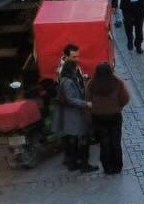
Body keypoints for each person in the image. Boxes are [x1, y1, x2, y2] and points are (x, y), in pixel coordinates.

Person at [54, 44, 95, 173]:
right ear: (66, 56)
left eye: (78, 56)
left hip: (75, 109)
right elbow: (70, 97)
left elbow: (78, 81)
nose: (77, 59)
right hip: (73, 111)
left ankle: (73, 162)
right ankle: (78, 162)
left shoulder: (72, 67)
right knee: (77, 136)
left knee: (74, 137)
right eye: (74, 56)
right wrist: (85, 104)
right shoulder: (64, 72)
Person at [86, 61, 131, 175]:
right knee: (116, 141)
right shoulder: (117, 82)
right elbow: (125, 98)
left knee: (104, 141)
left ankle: (107, 167)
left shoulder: (91, 84)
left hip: (98, 117)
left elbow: (88, 100)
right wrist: (118, 106)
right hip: (115, 116)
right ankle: (117, 166)